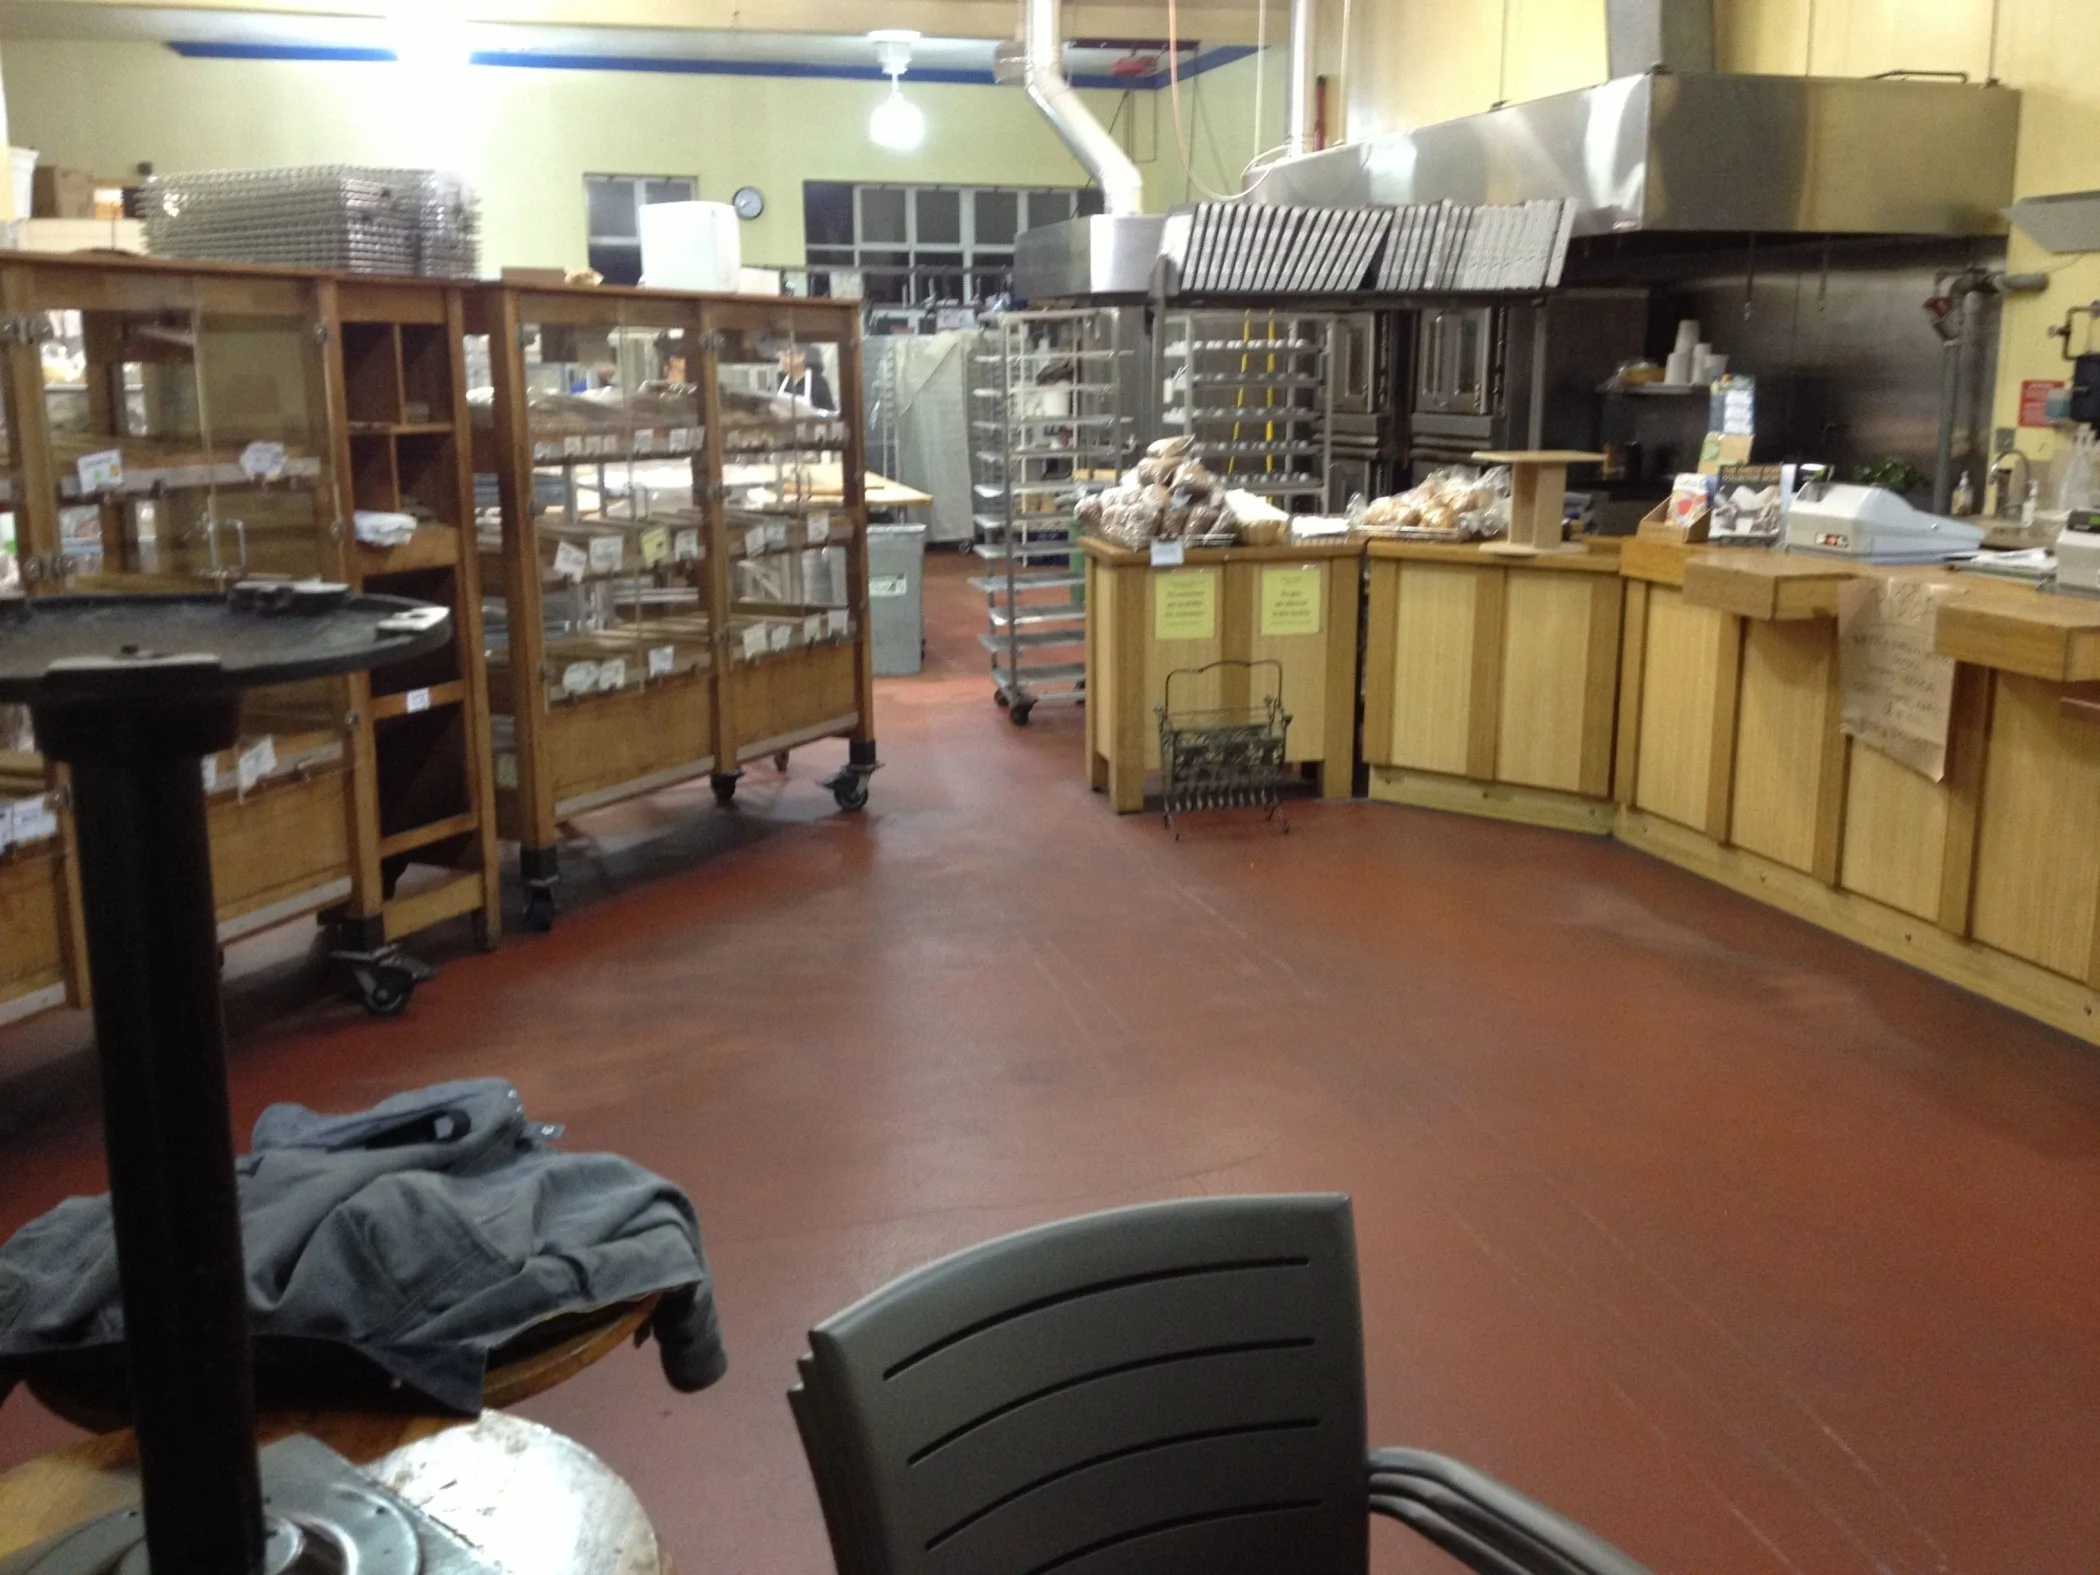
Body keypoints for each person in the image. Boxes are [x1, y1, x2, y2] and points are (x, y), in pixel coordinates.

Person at [777, 345, 835, 413]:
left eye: (787, 355)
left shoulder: (818, 383)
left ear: (801, 356)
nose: (782, 360)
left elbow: (830, 416)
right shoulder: (781, 378)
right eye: (781, 355)